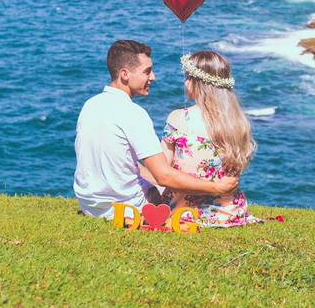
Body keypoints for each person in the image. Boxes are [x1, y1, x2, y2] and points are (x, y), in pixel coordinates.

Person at [74, 40, 239, 219]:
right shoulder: (133, 113)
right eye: (147, 71)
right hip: (125, 209)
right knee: (168, 186)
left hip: (90, 205)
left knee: (143, 169)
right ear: (125, 74)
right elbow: (163, 177)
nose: (153, 77)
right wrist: (217, 187)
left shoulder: (91, 105)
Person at [159, 50, 262, 227]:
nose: (185, 82)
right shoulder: (237, 122)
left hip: (184, 213)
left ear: (198, 83)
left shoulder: (178, 118)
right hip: (229, 214)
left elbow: (163, 171)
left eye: (188, 77)